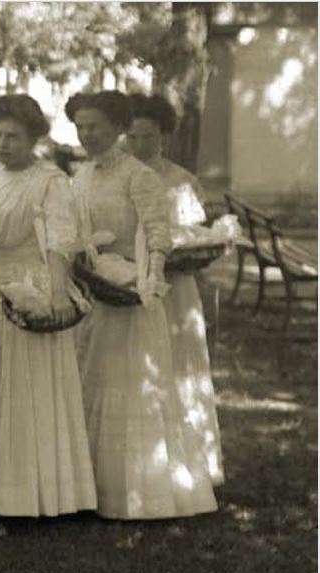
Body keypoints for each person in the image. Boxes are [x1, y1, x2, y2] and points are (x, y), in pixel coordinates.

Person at [67, 91, 217, 519]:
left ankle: (136, 491)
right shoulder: (81, 175)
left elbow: (158, 236)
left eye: (94, 126)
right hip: (94, 292)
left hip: (131, 295)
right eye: (80, 127)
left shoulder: (138, 176)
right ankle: (88, 486)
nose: (86, 134)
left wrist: (142, 283)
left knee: (129, 383)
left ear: (117, 127)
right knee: (90, 379)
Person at [0, 95, 96, 518]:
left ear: (34, 138)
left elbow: (59, 243)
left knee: (30, 390)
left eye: (13, 136)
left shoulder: (50, 181)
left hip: (31, 287)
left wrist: (54, 295)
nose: (2, 143)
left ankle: (37, 494)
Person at [126, 93, 223, 485]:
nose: (138, 145)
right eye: (131, 136)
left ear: (163, 136)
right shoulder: (120, 176)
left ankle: (184, 466)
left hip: (174, 287)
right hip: (128, 285)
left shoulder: (180, 182)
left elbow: (194, 240)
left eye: (147, 137)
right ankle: (137, 462)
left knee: (175, 365)